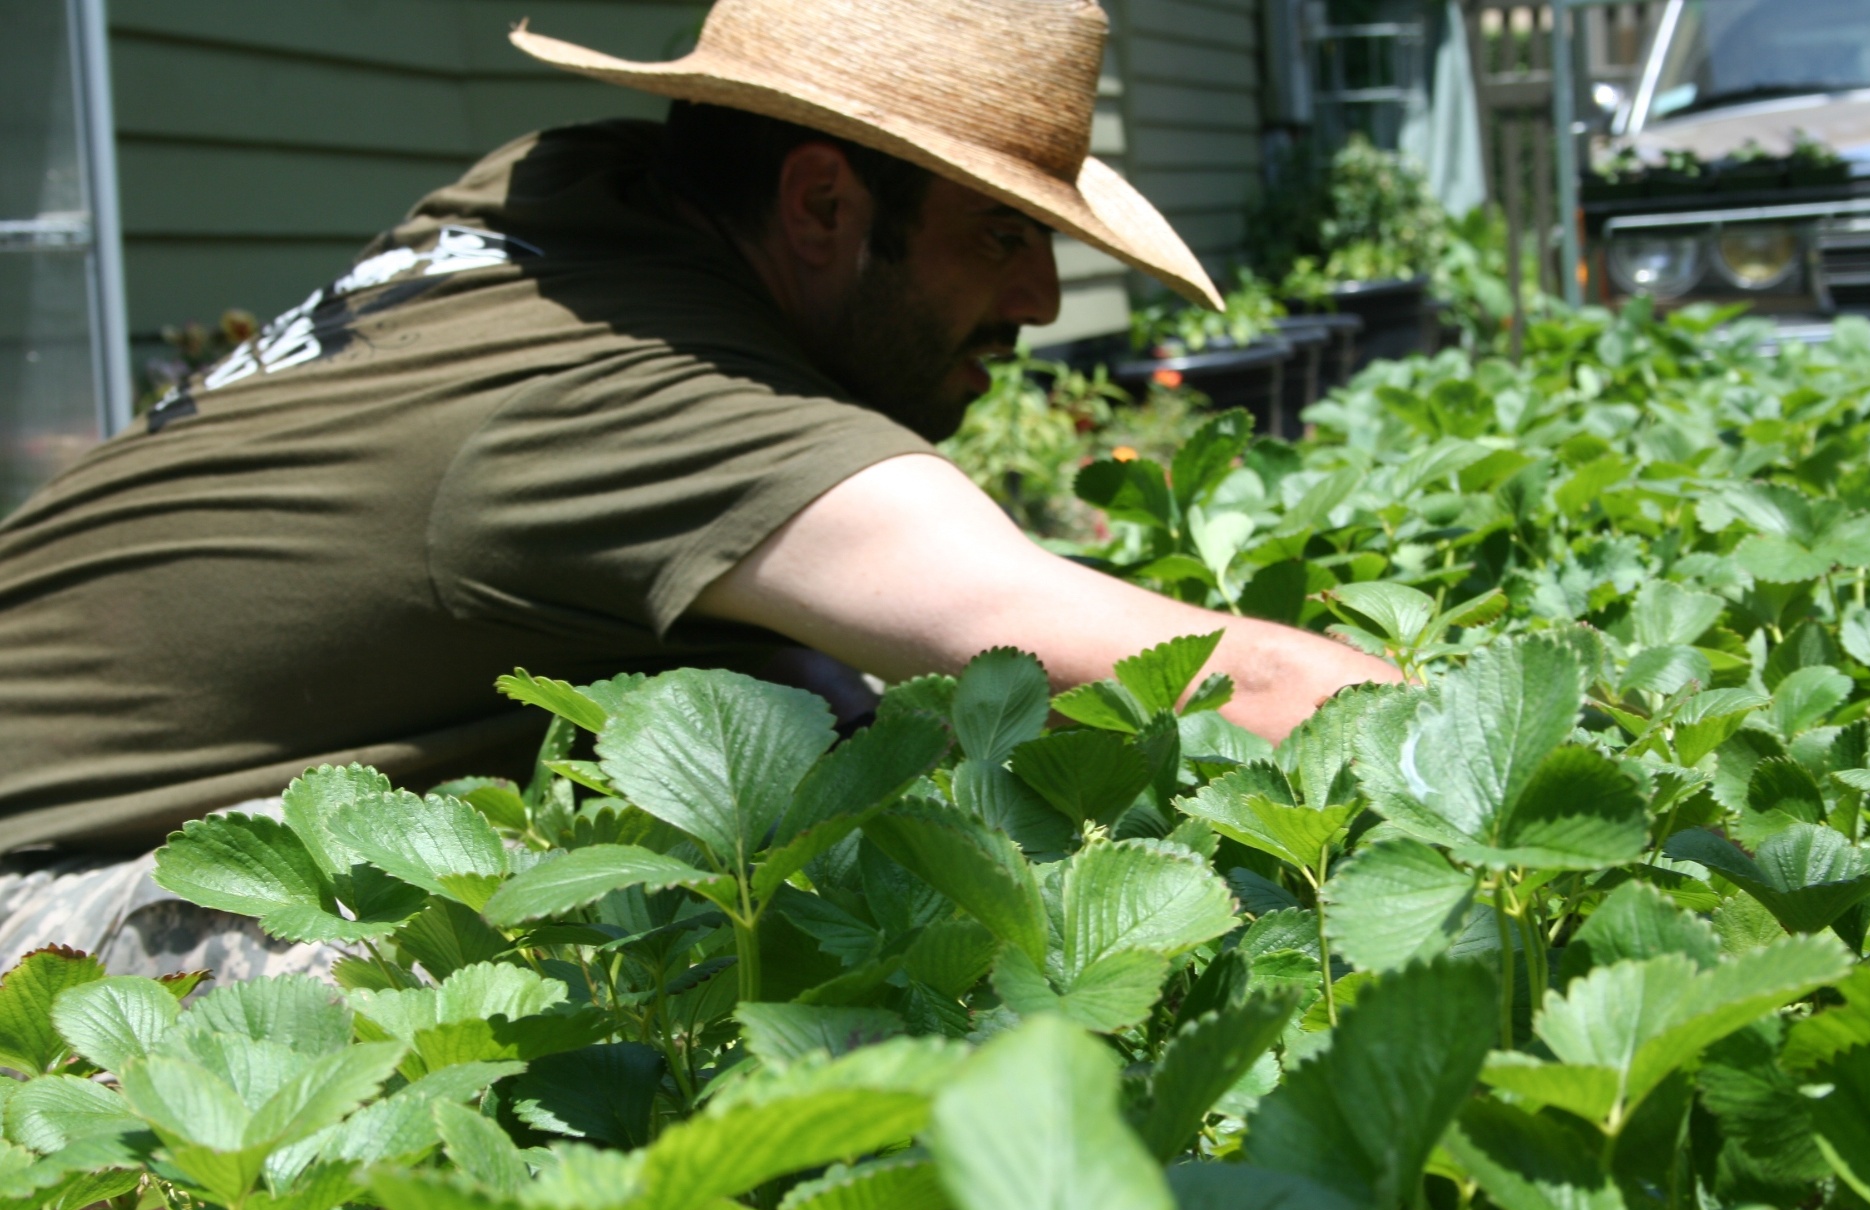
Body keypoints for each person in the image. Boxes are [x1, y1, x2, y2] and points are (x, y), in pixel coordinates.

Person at [0, 0, 1395, 975]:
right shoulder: (650, 406)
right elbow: (1234, 688)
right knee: (544, 1002)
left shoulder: (562, 193)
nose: (1038, 295)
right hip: (35, 896)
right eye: (1001, 231)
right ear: (820, 206)